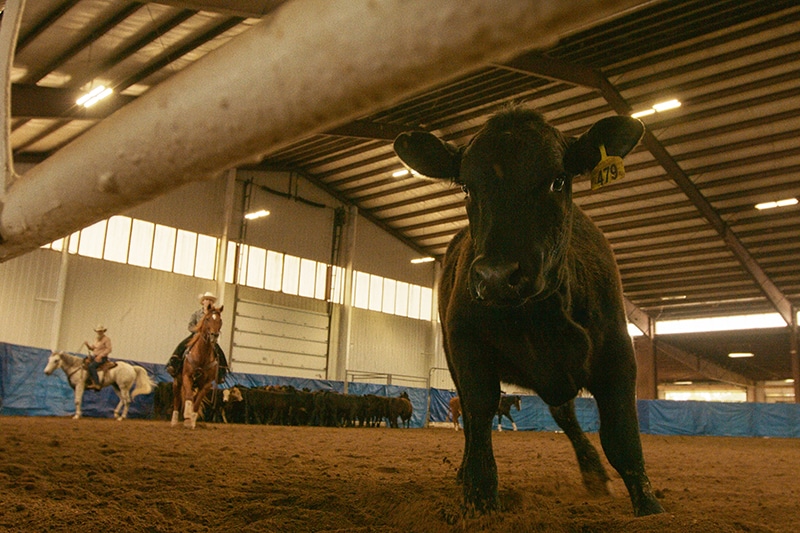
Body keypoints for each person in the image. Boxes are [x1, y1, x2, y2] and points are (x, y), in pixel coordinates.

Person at [166, 291, 228, 382]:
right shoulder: (196, 314)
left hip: (209, 337)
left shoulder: (214, 315)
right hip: (196, 335)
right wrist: (197, 330)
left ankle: (221, 373)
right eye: (206, 299)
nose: (208, 301)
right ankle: (173, 364)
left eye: (210, 300)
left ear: (212, 303)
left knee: (219, 352)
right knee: (182, 345)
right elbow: (190, 326)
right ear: (203, 302)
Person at [84, 325, 112, 390]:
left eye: (100, 331)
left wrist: (100, 355)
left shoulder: (107, 339)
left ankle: (97, 384)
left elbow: (109, 349)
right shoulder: (96, 339)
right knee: (85, 363)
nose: (99, 332)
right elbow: (93, 348)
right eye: (98, 331)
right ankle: (89, 381)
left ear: (103, 331)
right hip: (95, 356)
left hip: (102, 358)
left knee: (91, 366)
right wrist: (87, 345)